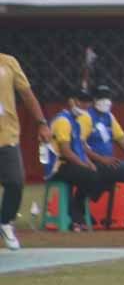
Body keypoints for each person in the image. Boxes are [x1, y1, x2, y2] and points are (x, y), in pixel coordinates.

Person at [0, 53, 53, 250]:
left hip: (7, 135)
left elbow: (27, 95)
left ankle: (5, 222)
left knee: (15, 180)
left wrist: (42, 123)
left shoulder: (8, 62)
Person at [45, 87, 107, 231]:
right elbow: (66, 152)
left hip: (69, 164)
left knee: (99, 174)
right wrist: (84, 166)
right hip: (57, 166)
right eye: (82, 101)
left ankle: (77, 213)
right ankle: (77, 215)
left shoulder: (75, 122)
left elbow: (79, 150)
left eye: (88, 102)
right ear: (71, 102)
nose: (86, 105)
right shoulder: (63, 121)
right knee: (90, 177)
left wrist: (89, 163)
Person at [86, 84, 124, 227]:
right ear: (93, 100)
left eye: (108, 98)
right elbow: (80, 145)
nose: (105, 101)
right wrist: (100, 159)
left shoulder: (109, 117)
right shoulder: (86, 117)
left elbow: (123, 141)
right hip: (94, 162)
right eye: (101, 98)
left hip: (109, 163)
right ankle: (84, 203)